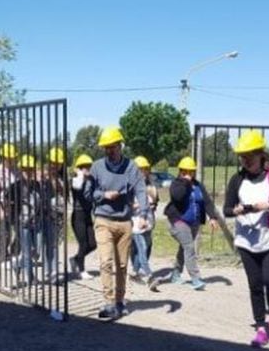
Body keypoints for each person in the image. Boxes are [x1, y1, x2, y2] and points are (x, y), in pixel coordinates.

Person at [223, 130, 269, 347]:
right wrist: (237, 211)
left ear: (260, 155)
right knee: (255, 285)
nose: (245, 161)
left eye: (249, 156)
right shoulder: (237, 180)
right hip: (246, 241)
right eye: (241, 157)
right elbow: (226, 209)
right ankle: (260, 327)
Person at [90, 126, 148, 320]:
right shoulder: (97, 167)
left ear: (120, 146)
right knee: (106, 262)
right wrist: (104, 194)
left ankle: (120, 301)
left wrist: (144, 213)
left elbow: (140, 189)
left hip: (124, 222)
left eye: (112, 147)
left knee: (122, 265)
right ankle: (108, 303)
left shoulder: (131, 167)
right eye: (106, 147)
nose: (109, 150)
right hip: (103, 219)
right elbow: (89, 193)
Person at [161, 156, 217, 291]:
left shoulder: (198, 185)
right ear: (180, 171)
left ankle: (175, 274)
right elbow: (178, 197)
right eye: (185, 171)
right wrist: (186, 183)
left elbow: (207, 202)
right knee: (189, 247)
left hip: (194, 222)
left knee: (184, 247)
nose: (188, 174)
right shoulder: (176, 184)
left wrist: (213, 217)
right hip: (177, 221)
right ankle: (195, 278)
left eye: (191, 171)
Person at [9, 155, 43, 285]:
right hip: (22, 224)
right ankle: (31, 278)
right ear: (20, 170)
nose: (28, 172)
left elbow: (41, 202)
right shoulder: (15, 186)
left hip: (37, 222)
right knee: (28, 252)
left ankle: (17, 265)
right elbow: (7, 201)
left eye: (30, 169)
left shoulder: (37, 185)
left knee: (37, 251)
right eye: (25, 169)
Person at [129, 156, 158, 286]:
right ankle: (150, 276)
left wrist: (152, 206)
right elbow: (127, 206)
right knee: (142, 249)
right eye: (140, 169)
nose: (143, 172)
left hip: (148, 223)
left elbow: (155, 204)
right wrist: (141, 205)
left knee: (145, 250)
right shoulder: (130, 187)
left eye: (145, 169)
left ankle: (135, 274)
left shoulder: (151, 186)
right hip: (136, 225)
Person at [41, 147, 68, 283]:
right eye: (54, 162)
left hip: (60, 213)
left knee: (56, 243)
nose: (56, 165)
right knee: (50, 244)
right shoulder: (44, 174)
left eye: (59, 163)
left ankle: (51, 271)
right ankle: (51, 272)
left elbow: (64, 193)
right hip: (48, 213)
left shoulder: (62, 175)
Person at [70, 154, 97, 280]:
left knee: (93, 244)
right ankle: (81, 270)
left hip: (87, 215)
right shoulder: (76, 180)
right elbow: (78, 187)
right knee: (83, 244)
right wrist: (80, 174)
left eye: (89, 167)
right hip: (78, 216)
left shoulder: (91, 180)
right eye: (85, 167)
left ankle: (75, 259)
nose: (88, 169)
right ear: (80, 168)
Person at [0, 143, 20, 265]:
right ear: (3, 157)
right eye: (9, 157)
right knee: (5, 233)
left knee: (21, 231)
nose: (11, 160)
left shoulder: (17, 171)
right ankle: (3, 257)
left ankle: (14, 253)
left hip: (16, 206)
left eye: (13, 157)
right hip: (3, 206)